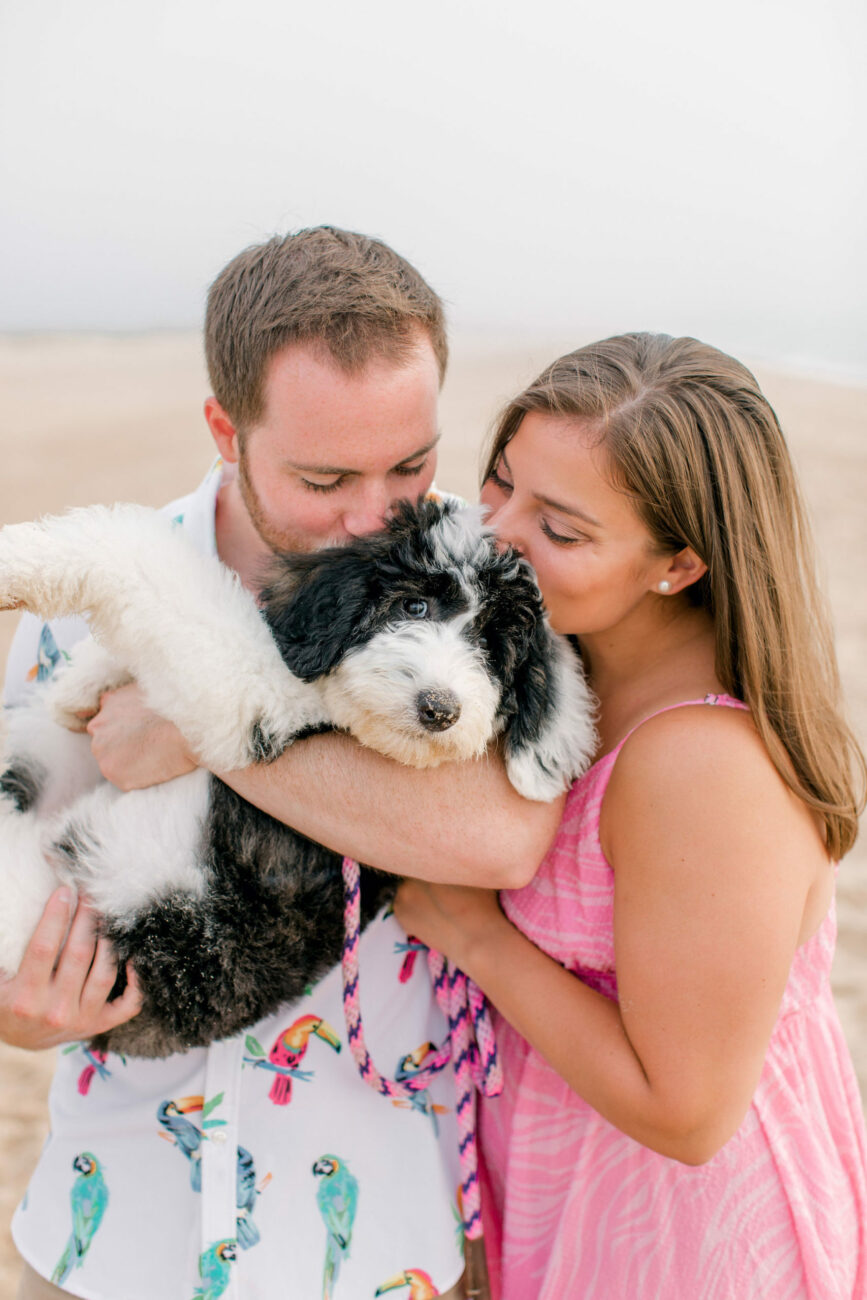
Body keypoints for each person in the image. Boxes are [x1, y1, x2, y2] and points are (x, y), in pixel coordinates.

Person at [1, 227, 556, 1300]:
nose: (375, 514)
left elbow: (503, 833)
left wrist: (206, 734)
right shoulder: (103, 586)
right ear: (225, 427)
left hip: (374, 1252)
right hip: (105, 1241)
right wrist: (15, 1015)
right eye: (324, 475)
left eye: (412, 462)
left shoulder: (472, 587)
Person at [389, 334, 867, 1298]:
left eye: (560, 530)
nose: (498, 535)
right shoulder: (566, 662)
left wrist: (473, 935)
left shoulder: (700, 766)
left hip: (686, 1238)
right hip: (571, 1188)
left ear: (678, 565)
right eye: (500, 484)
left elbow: (689, 1113)